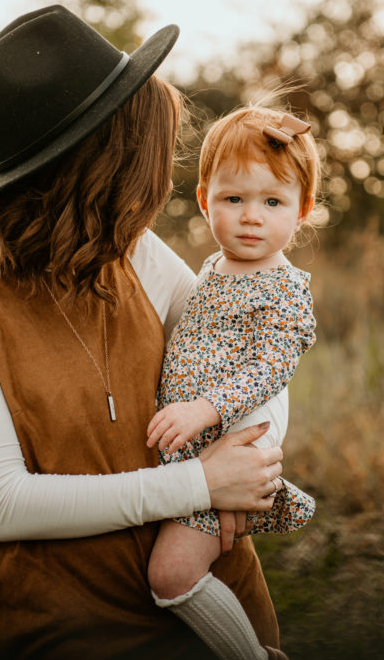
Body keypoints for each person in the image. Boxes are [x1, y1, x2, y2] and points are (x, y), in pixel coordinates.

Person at [0, 5, 289, 659]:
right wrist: (200, 484)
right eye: (148, 152)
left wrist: (255, 451)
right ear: (99, 161)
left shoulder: (136, 253)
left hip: (217, 619)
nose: (163, 176)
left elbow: (253, 353)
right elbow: (4, 503)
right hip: (65, 635)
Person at [142, 105, 323, 659]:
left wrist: (204, 409)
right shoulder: (211, 270)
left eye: (272, 202)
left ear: (302, 211)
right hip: (198, 441)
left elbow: (270, 366)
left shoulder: (284, 287)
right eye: (233, 199)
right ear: (204, 201)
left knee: (170, 575)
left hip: (237, 442)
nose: (251, 217)